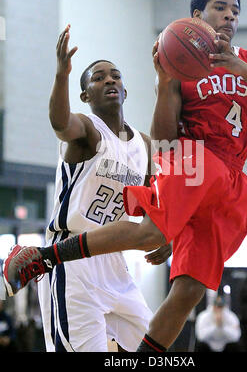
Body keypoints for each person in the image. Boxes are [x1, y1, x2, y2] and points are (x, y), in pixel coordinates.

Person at [0, 0, 247, 352]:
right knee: (152, 232)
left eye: (236, 9)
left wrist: (237, 67)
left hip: (234, 175)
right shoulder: (177, 63)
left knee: (191, 288)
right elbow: (164, 135)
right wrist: (166, 80)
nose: (230, 14)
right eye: (220, 7)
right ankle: (42, 257)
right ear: (197, 17)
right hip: (193, 154)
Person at [2, 25, 171, 352]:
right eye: (98, 77)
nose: (109, 80)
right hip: (69, 259)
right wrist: (62, 75)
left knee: (154, 348)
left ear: (125, 90)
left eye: (116, 76)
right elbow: (60, 123)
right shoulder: (87, 129)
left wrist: (166, 237)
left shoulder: (145, 146)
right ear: (85, 95)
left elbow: (155, 202)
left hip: (113, 260)